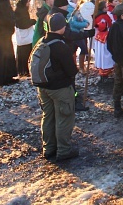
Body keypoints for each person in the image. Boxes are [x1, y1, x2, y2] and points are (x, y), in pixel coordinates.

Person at [36, 13, 80, 162]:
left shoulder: (42, 41)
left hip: (42, 87)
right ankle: (63, 150)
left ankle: (48, 149)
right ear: (62, 27)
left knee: (48, 117)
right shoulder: (60, 46)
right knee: (64, 118)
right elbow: (71, 71)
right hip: (60, 88)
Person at [46, 0, 95, 111]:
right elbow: (68, 34)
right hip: (61, 49)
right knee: (69, 76)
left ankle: (72, 97)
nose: (67, 6)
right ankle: (73, 101)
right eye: (66, 4)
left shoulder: (51, 14)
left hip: (56, 48)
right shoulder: (58, 17)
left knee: (65, 77)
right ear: (61, 5)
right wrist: (86, 34)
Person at [15, 0, 36, 76]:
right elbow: (23, 24)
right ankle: (25, 70)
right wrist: (32, 21)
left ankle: (23, 70)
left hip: (23, 36)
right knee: (26, 54)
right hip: (25, 36)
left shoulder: (20, 9)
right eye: (28, 2)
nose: (28, 4)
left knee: (22, 54)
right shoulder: (21, 11)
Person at [93, 0, 115, 80]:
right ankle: (105, 71)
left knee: (102, 54)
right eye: (106, 7)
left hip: (100, 38)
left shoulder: (99, 15)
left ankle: (104, 70)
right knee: (105, 55)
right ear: (103, 8)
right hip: (104, 38)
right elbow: (102, 27)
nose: (108, 8)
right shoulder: (103, 16)